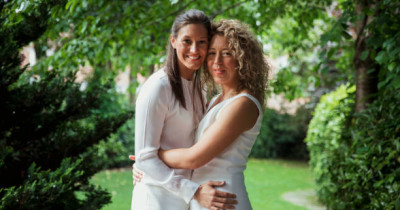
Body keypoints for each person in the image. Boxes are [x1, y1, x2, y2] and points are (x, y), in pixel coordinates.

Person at [157, 19, 269, 210]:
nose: (217, 62)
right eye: (211, 53)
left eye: (226, 53)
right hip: (205, 197)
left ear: (242, 58)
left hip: (225, 200)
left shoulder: (243, 104)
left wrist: (151, 156)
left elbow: (194, 158)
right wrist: (151, 169)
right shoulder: (216, 100)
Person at [132, 10, 237, 210]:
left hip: (186, 199)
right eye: (187, 41)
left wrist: (193, 192)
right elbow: (145, 157)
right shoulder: (158, 87)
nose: (194, 49)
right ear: (173, 41)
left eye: (202, 42)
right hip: (157, 198)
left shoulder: (200, 88)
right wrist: (193, 191)